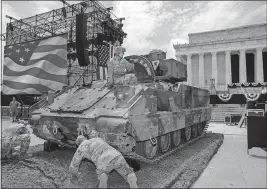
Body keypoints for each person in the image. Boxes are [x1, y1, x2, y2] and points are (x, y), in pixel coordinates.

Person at [69, 135, 138, 188]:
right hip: (117, 156)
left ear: (79, 144)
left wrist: (74, 175)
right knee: (128, 172)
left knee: (102, 175)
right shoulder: (97, 139)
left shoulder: (81, 147)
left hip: (103, 162)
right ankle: (133, 184)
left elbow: (74, 164)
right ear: (85, 138)